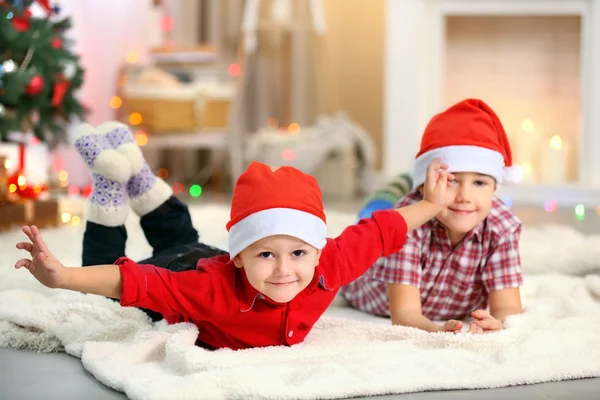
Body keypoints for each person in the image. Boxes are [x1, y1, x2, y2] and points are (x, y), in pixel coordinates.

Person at [14, 121, 453, 350]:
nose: (285, 270)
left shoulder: (328, 265)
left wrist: (432, 206)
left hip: (201, 254)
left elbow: (379, 231)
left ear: (318, 249)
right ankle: (112, 179)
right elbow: (133, 282)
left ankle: (137, 170)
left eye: (298, 252)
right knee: (111, 280)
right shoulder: (211, 293)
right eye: (267, 255)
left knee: (179, 234)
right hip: (184, 276)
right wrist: (65, 276)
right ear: (240, 255)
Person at [342, 99, 524, 334]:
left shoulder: (502, 227)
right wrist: (437, 331)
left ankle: (403, 183)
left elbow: (508, 307)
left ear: (495, 188)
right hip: (374, 294)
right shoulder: (407, 224)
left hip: (447, 303)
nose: (464, 196)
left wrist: (498, 324)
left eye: (479, 182)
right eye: (451, 181)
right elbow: (404, 314)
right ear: (424, 185)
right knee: (373, 222)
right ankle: (398, 186)